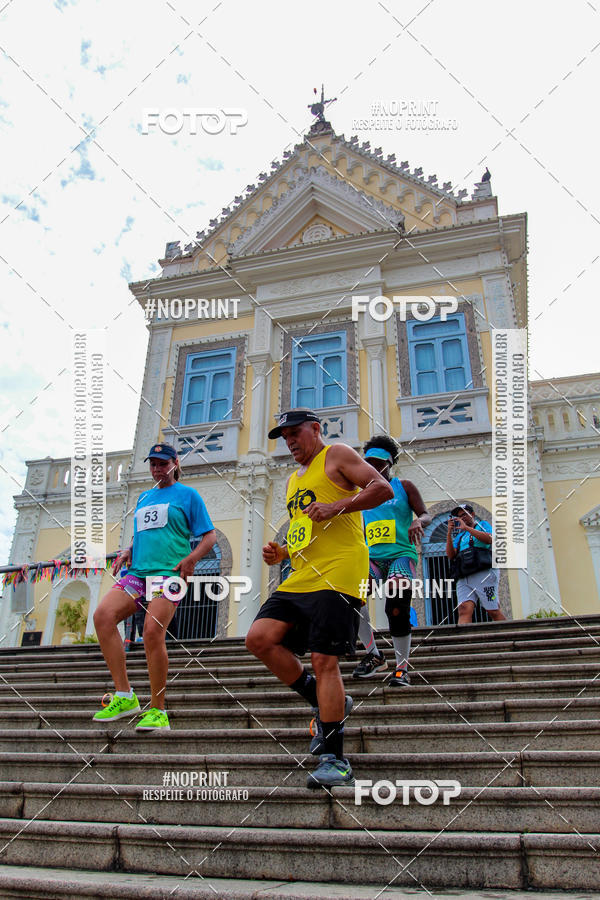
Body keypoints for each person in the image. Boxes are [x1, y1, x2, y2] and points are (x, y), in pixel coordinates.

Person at [245, 409, 393, 788]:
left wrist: (336, 506)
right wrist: (282, 552)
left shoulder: (338, 454)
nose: (290, 441)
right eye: (284, 436)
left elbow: (381, 488)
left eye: (296, 433)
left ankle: (335, 758)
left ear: (315, 429)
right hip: (303, 573)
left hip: (341, 570)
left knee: (324, 657)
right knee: (259, 638)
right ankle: (321, 699)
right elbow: (305, 528)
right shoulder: (294, 479)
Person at [92, 443, 216, 731]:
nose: (157, 469)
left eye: (162, 463)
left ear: (174, 463)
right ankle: (125, 695)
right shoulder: (145, 497)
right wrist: (128, 550)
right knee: (102, 616)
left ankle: (158, 710)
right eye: (153, 464)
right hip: (138, 573)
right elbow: (144, 534)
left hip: (168, 574)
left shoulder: (188, 495)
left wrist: (192, 559)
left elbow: (209, 536)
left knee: (151, 630)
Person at [352, 435, 431, 685]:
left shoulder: (403, 486)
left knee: (396, 607)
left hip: (401, 555)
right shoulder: (362, 493)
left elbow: (426, 514)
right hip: (373, 558)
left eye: (379, 463)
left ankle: (401, 668)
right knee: (351, 599)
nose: (374, 468)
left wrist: (419, 521)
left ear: (389, 463)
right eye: (369, 463)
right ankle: (374, 655)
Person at [446, 503, 505, 625]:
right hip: (465, 575)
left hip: (484, 573)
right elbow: (451, 555)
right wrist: (449, 533)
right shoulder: (460, 536)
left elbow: (489, 539)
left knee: (492, 610)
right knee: (463, 609)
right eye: (459, 516)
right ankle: (464, 641)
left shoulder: (482, 525)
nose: (462, 518)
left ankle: (511, 634)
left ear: (472, 514)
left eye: (464, 515)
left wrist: (467, 528)